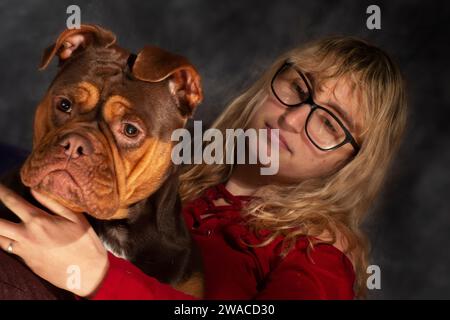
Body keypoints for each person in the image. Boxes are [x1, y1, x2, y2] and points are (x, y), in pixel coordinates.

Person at [0, 36, 407, 299]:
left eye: (329, 123)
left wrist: (98, 276)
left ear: (352, 163)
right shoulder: (175, 170)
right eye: (298, 89)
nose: (293, 119)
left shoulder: (316, 252)